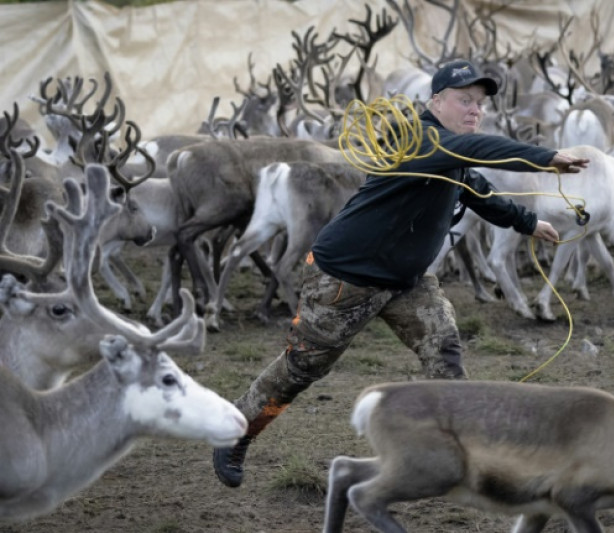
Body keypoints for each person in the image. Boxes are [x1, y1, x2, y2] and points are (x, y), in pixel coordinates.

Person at [212, 59, 590, 488]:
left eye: (480, 103)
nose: (475, 110)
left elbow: (478, 190)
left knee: (444, 350)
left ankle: (461, 456)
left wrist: (527, 223)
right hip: (345, 280)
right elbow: (485, 150)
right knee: (301, 369)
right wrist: (546, 159)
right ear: (436, 101)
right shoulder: (423, 139)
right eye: (464, 100)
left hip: (406, 282)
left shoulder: (450, 150)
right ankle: (235, 431)